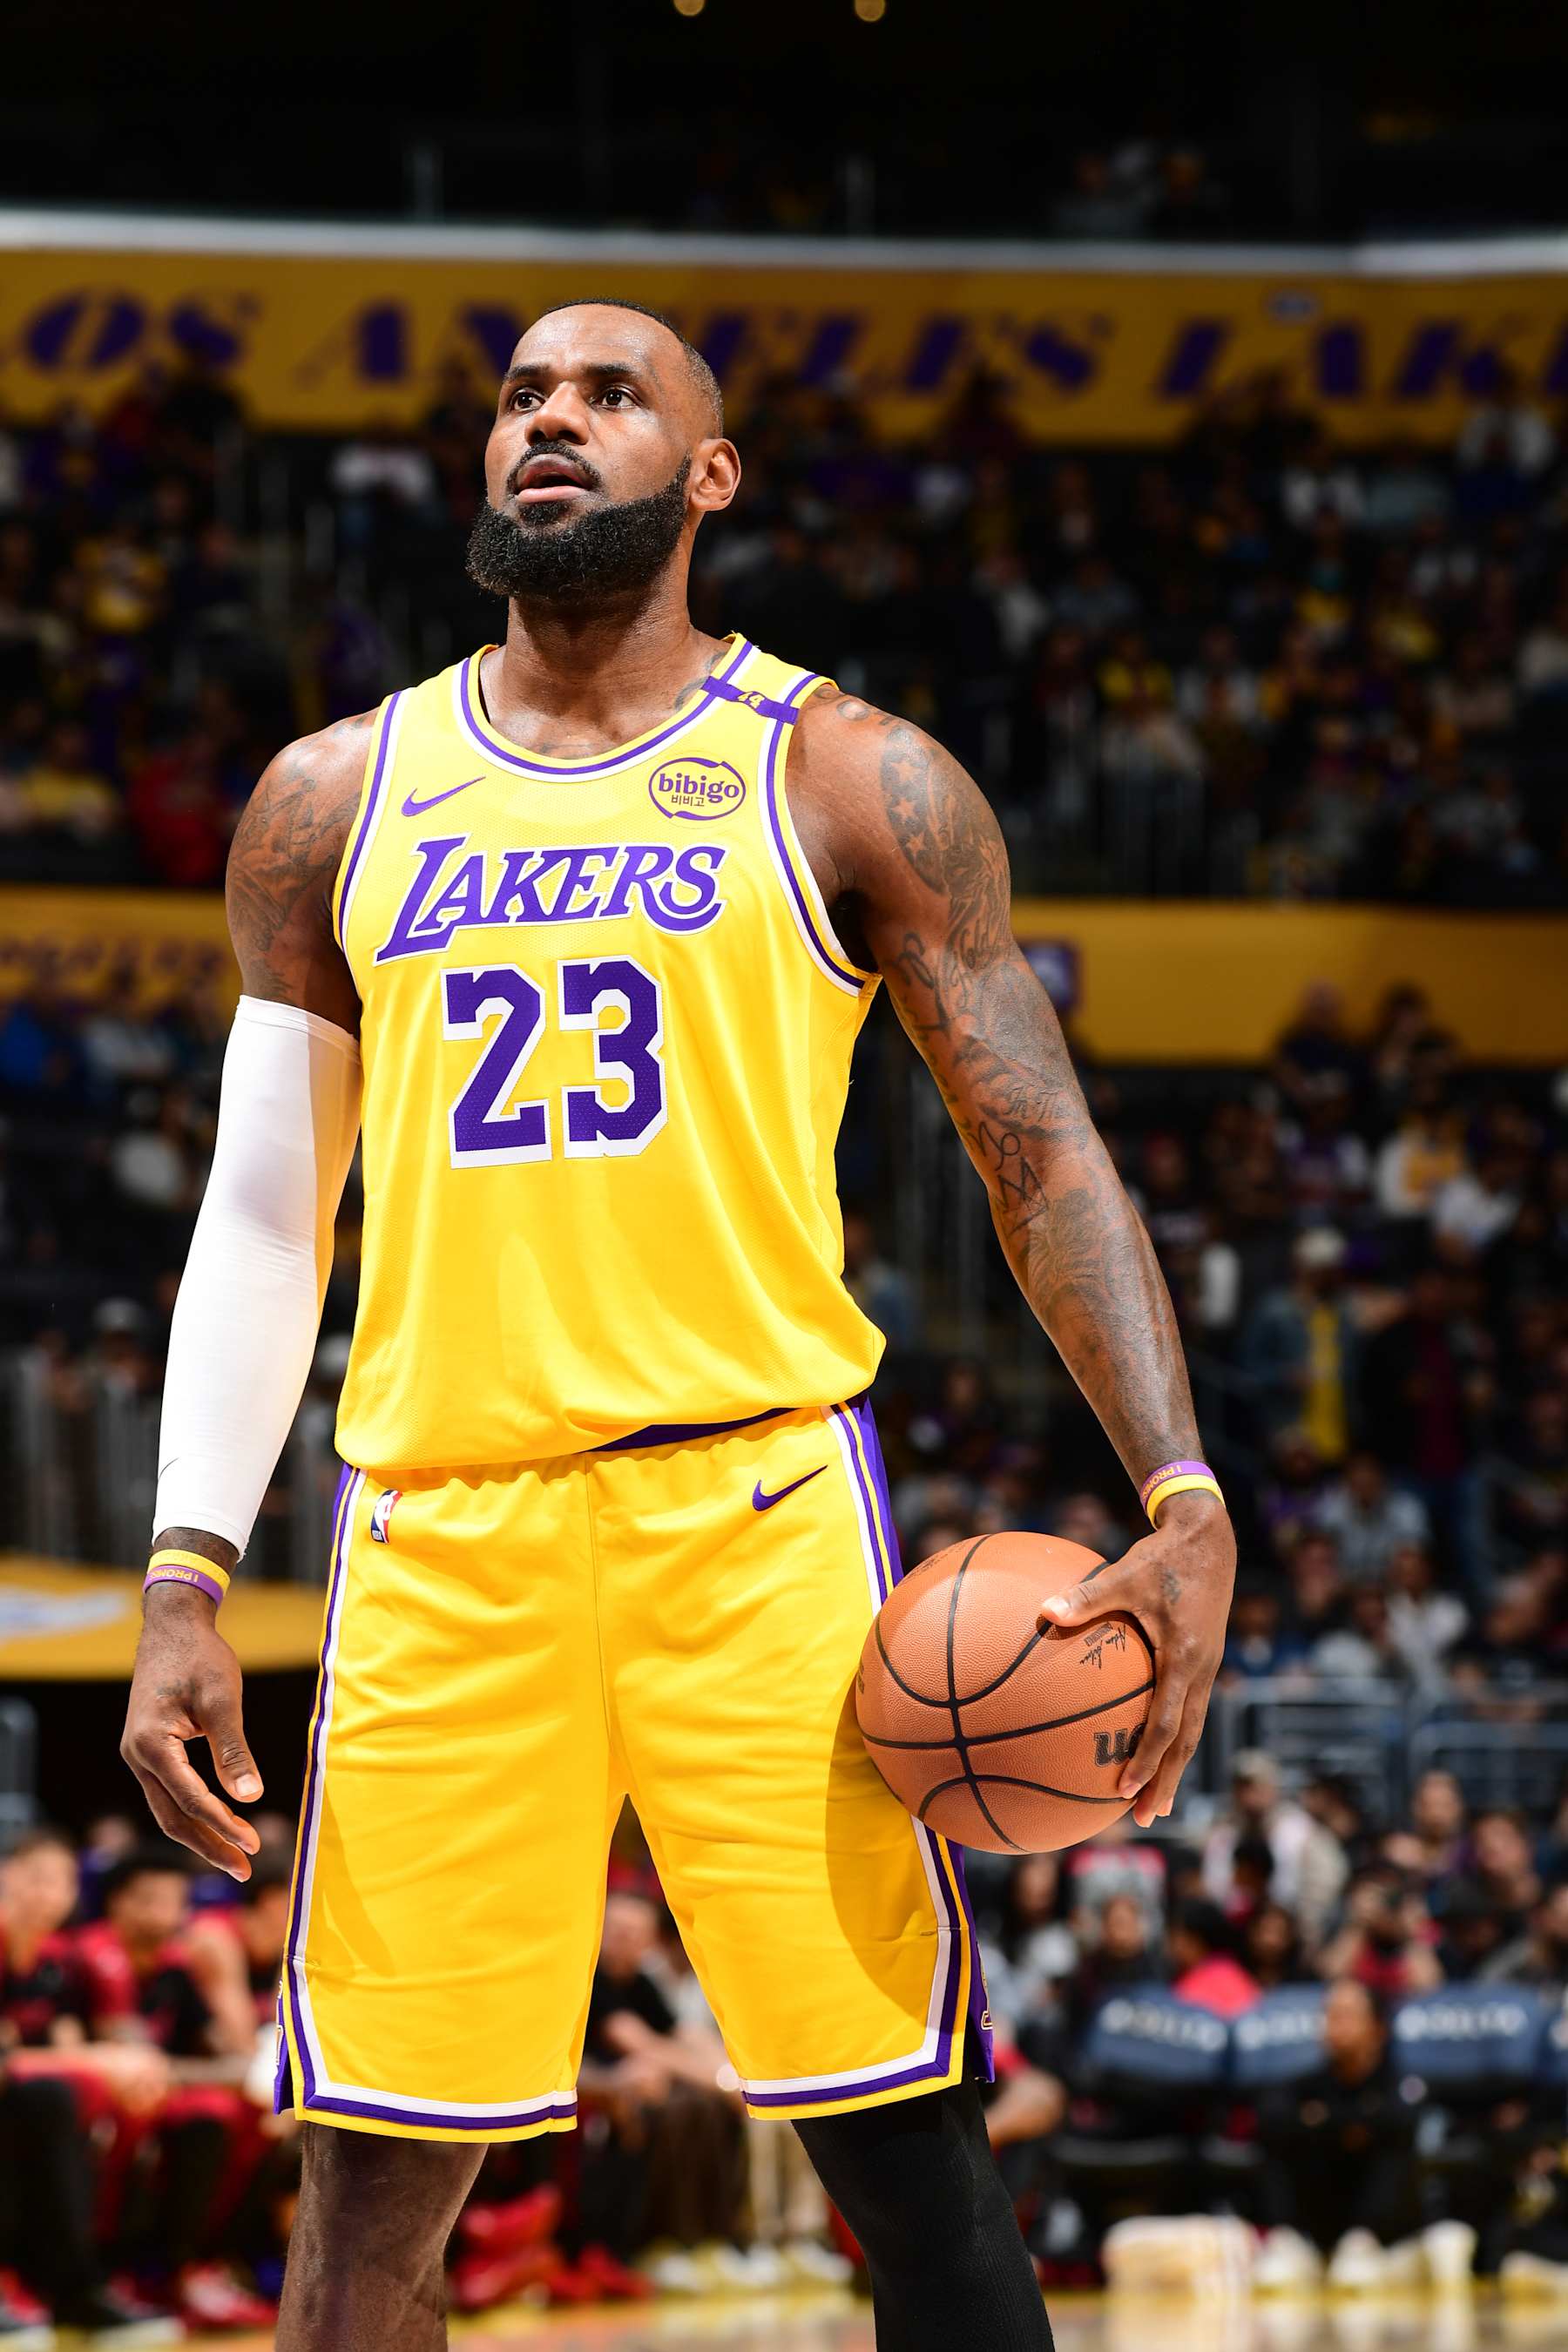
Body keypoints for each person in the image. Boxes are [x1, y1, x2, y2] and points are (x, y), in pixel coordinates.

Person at [120, 298, 1236, 2352]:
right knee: (366, 2194)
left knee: (908, 2157)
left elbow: (1043, 1153)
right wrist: (188, 1571)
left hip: (759, 1529)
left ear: (707, 475)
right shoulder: (331, 797)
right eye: (526, 396)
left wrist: (1180, 1487)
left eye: (613, 395)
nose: (555, 420)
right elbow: (268, 1217)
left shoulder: (850, 780)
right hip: (444, 1534)